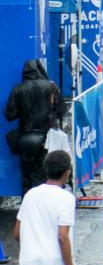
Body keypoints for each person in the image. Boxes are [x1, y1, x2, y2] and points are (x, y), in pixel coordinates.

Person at [4, 59, 62, 193]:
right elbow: (60, 111)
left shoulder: (18, 89)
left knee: (26, 178)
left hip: (25, 138)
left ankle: (27, 207)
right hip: (45, 139)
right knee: (42, 176)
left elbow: (9, 115)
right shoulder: (51, 87)